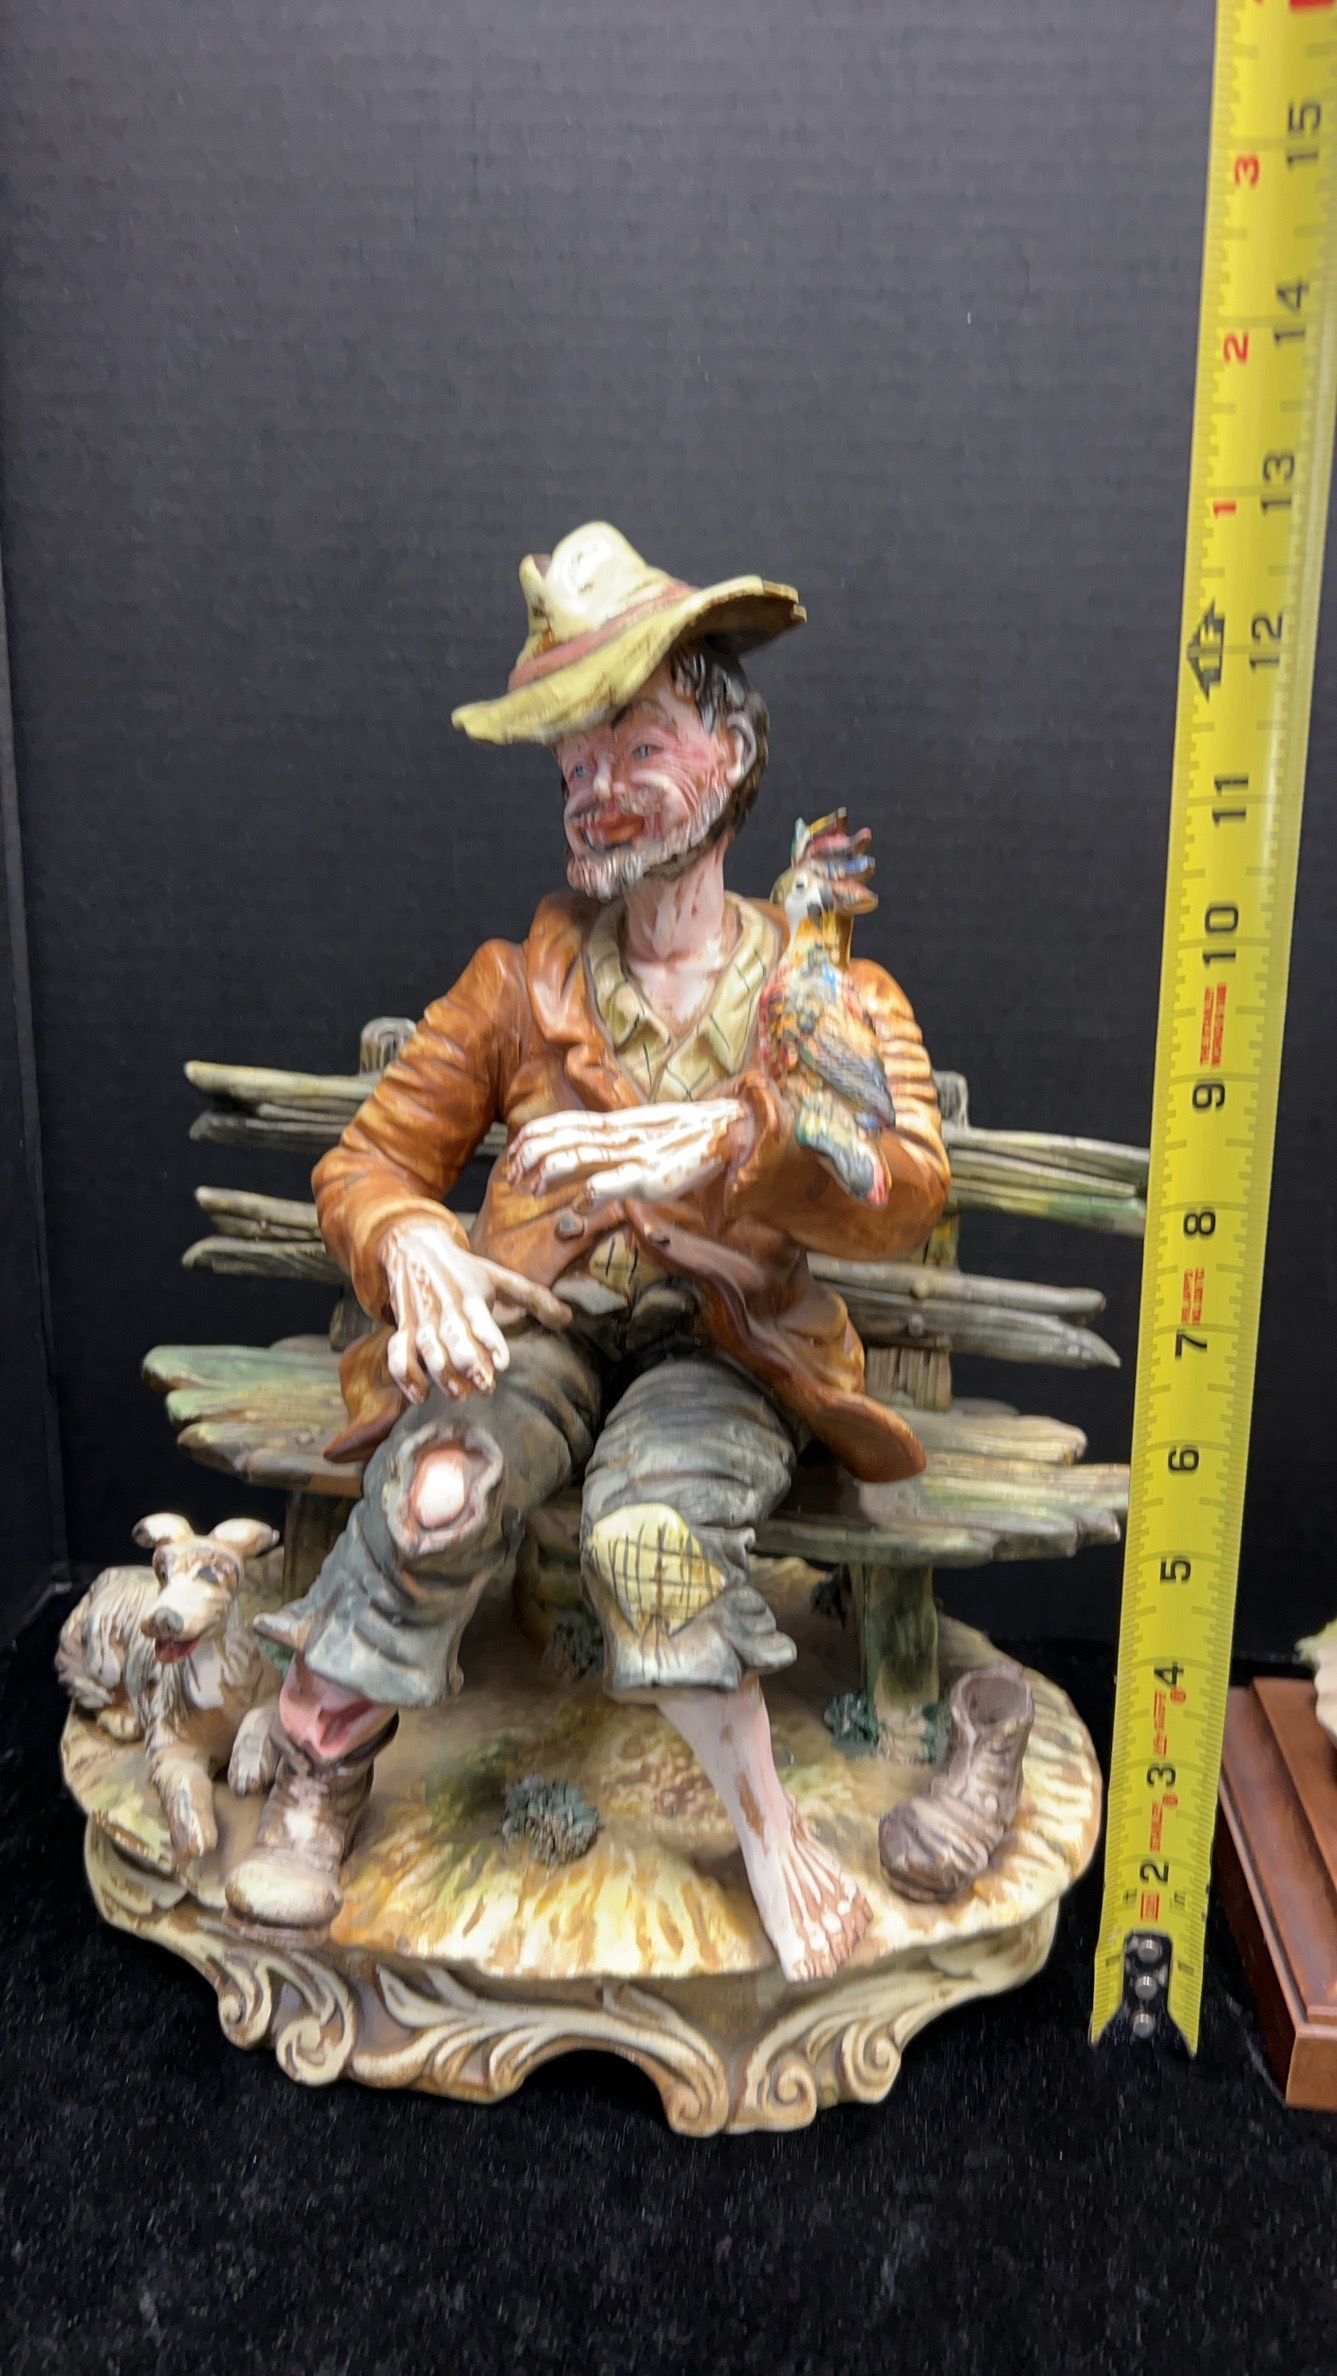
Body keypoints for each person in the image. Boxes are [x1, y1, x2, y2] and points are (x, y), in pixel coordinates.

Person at [226, 522, 949, 1980]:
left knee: (652, 1538)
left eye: (638, 749)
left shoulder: (827, 991)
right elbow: (368, 1161)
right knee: (437, 1488)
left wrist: (726, 1141)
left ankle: (767, 1831)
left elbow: (905, 1188)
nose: (599, 790)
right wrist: (414, 1243)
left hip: (724, 1347)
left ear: (730, 759)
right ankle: (317, 1768)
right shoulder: (518, 984)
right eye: (574, 766)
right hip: (538, 1326)